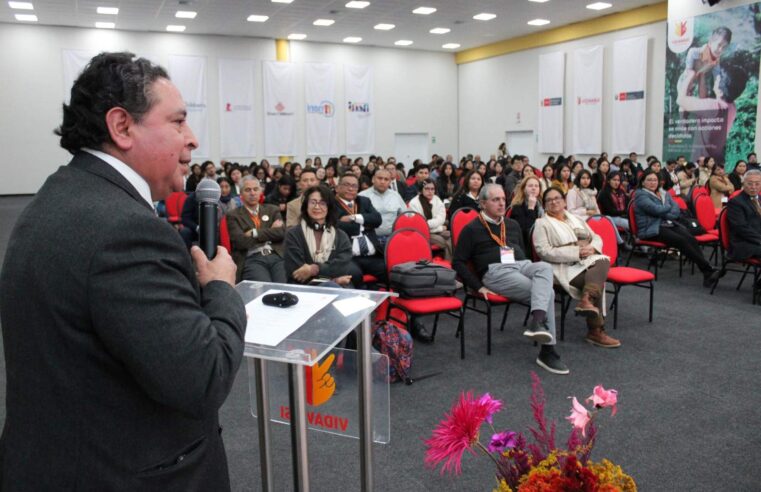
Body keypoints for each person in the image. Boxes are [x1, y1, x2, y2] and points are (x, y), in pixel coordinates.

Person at [0, 52, 246, 490]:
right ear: (122, 126)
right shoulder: (127, 231)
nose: (192, 139)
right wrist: (221, 288)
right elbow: (203, 377)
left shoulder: (55, 197)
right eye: (177, 122)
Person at [453, 184, 567, 375]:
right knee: (549, 292)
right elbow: (458, 262)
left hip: (521, 265)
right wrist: (477, 287)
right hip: (496, 272)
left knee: (545, 267)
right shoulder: (472, 229)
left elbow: (524, 252)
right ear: (482, 203)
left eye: (503, 199)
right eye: (495, 200)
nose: (500, 203)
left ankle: (537, 321)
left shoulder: (511, 224)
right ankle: (547, 350)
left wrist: (527, 266)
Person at [532, 187, 621, 348]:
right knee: (597, 279)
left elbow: (596, 237)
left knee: (602, 261)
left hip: (586, 262)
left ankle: (587, 300)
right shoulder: (541, 223)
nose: (554, 202)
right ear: (544, 205)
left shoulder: (575, 219)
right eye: (549, 200)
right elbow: (543, 251)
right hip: (562, 268)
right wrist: (576, 252)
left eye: (557, 198)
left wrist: (592, 248)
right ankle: (595, 330)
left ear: (564, 201)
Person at [633, 169, 720, 287]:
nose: (652, 183)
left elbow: (676, 210)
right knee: (681, 241)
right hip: (651, 229)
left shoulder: (663, 193)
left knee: (690, 238)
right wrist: (667, 207)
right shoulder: (640, 195)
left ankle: (707, 272)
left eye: (655, 180)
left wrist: (665, 210)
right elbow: (657, 210)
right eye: (649, 180)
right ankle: (708, 270)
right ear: (643, 182)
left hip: (667, 224)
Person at [283, 185, 354, 287]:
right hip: (303, 288)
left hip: (336, 287)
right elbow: (297, 274)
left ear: (329, 207)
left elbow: (342, 267)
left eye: (322, 203)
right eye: (313, 202)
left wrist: (314, 269)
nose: (317, 207)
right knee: (331, 286)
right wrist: (334, 280)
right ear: (306, 205)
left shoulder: (341, 236)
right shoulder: (294, 234)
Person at [227, 176, 286, 283]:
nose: (252, 193)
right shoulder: (233, 215)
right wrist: (270, 231)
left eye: (255, 189)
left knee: (283, 287)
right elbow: (240, 242)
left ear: (260, 191)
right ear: (241, 194)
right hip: (252, 258)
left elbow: (281, 233)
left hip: (276, 256)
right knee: (263, 288)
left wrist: (254, 233)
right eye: (248, 190)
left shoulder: (272, 210)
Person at [333, 172, 386, 286]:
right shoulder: (331, 204)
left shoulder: (364, 201)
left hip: (372, 255)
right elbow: (334, 226)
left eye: (354, 186)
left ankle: (390, 301)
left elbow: (377, 219)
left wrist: (355, 218)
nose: (351, 188)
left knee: (392, 270)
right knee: (354, 275)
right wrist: (365, 223)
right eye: (347, 185)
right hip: (348, 257)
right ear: (338, 188)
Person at [358, 168, 406, 244]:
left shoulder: (395, 195)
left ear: (390, 182)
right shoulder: (362, 196)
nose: (382, 182)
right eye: (380, 178)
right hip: (370, 239)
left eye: (386, 179)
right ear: (373, 179)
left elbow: (405, 215)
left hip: (393, 238)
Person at [408, 178, 453, 260]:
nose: (430, 191)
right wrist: (439, 227)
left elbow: (441, 219)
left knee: (453, 237)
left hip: (436, 230)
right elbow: (421, 225)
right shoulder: (414, 203)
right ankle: (448, 266)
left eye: (432, 189)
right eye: (427, 189)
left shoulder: (437, 199)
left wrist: (433, 225)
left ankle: (449, 263)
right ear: (421, 190)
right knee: (445, 242)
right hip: (422, 233)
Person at [726, 169, 761, 262]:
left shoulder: (759, 199)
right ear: (743, 183)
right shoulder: (736, 202)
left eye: (757, 184)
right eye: (750, 183)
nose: (753, 187)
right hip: (744, 243)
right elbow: (742, 228)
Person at [510, 175, 544, 248]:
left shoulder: (542, 205)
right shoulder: (517, 206)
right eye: (530, 186)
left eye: (536, 186)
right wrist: (531, 208)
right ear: (523, 189)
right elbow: (526, 231)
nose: (533, 188)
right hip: (526, 245)